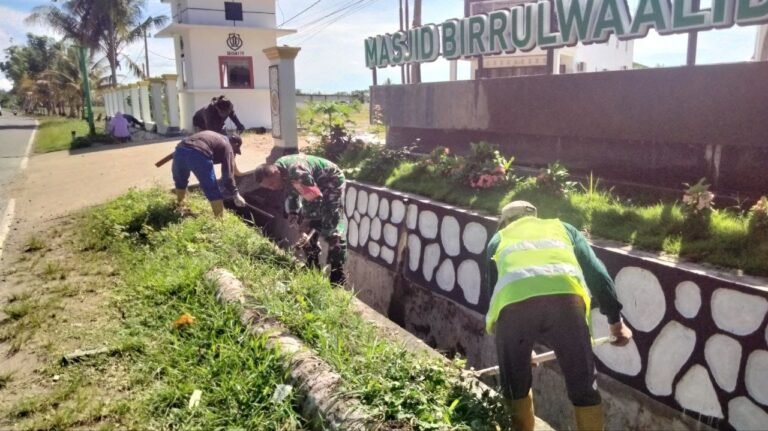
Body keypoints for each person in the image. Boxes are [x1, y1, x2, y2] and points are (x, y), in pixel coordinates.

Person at [486, 201, 633, 431]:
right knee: (584, 386)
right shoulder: (564, 229)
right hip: (568, 305)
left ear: (504, 223)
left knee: (515, 387)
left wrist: (521, 351)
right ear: (537, 216)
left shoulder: (498, 239)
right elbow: (598, 274)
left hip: (515, 310)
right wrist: (616, 322)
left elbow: (495, 302)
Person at [253, 154, 347, 284]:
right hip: (312, 184)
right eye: (268, 187)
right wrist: (293, 212)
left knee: (331, 225)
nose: (272, 188)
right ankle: (312, 264)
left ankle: (337, 275)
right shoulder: (281, 169)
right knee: (305, 226)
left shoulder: (297, 172)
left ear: (275, 172)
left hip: (331, 181)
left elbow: (315, 197)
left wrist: (308, 220)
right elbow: (292, 191)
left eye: (272, 183)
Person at [172, 130, 247, 217]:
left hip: (180, 149)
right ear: (235, 144)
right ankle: (220, 221)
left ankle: (181, 206)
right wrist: (236, 194)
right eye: (235, 151)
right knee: (212, 189)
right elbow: (228, 176)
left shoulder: (213, 136)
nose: (234, 153)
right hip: (199, 154)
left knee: (180, 181)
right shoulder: (228, 146)